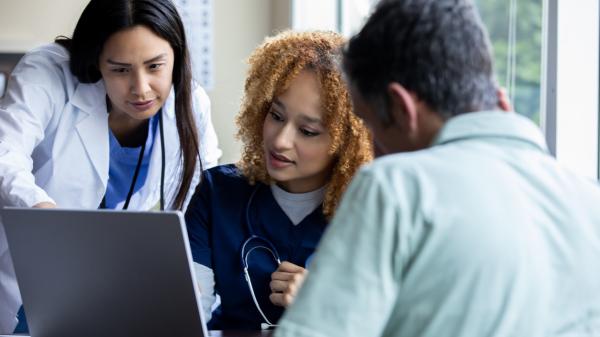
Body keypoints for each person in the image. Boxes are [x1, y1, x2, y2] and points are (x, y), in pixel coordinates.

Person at [274, 1, 600, 337]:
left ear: (402, 108)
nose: (371, 149)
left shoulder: (395, 188)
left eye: (370, 124)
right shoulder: (590, 202)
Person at [0, 0, 221, 333]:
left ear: (176, 56)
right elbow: (5, 153)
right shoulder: (48, 73)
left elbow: (200, 196)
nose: (141, 88)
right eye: (120, 69)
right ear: (95, 61)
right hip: (26, 273)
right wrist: (43, 214)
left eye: (155, 66)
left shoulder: (191, 104)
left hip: (110, 283)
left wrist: (184, 269)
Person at [185, 30, 373, 330]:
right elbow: (188, 316)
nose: (281, 141)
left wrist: (322, 303)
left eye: (308, 131)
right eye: (276, 115)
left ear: (346, 142)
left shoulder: (368, 215)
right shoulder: (216, 192)